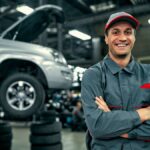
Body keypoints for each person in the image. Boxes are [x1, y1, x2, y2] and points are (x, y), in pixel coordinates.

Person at [81, 12, 150, 150]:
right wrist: (143, 113)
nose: (123, 37)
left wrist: (121, 128)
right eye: (116, 32)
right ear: (106, 38)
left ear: (134, 38)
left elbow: (105, 125)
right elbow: (98, 126)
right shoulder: (93, 75)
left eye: (128, 32)